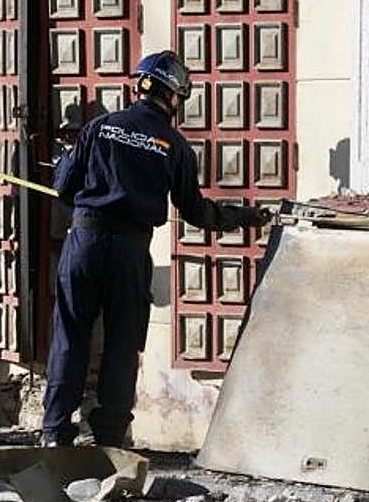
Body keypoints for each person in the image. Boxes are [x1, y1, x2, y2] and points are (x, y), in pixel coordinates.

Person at [42, 50, 272, 448]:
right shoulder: (175, 146)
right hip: (130, 251)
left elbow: (64, 188)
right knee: (122, 342)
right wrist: (245, 217)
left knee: (70, 336)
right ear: (174, 96)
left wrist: (67, 165)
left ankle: (55, 432)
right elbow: (197, 212)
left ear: (139, 87)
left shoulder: (100, 127)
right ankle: (110, 437)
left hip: (83, 244)